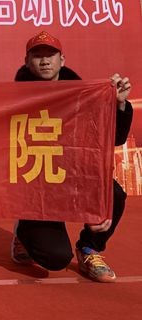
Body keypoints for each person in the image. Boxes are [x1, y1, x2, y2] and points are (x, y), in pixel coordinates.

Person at [11, 31, 132, 283]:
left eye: (50, 55)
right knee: (55, 258)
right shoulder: (14, 99)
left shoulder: (85, 96)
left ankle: (90, 248)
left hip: (75, 177)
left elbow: (115, 138)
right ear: (27, 61)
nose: (45, 60)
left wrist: (119, 104)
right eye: (38, 55)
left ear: (62, 60)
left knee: (113, 194)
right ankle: (24, 233)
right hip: (38, 184)